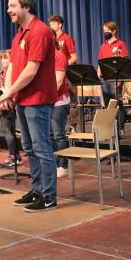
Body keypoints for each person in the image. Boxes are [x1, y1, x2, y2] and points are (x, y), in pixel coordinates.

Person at [0, 0, 58, 213]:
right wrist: (9, 92)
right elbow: (13, 66)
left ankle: (49, 197)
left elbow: (31, 70)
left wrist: (8, 93)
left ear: (26, 6)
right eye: (8, 6)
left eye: (12, 6)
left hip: (38, 100)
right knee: (30, 148)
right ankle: (37, 190)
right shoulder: (19, 35)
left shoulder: (40, 31)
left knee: (42, 149)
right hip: (22, 100)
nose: (8, 10)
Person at [48, 14, 79, 132]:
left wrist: (64, 65)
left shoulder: (66, 38)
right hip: (57, 73)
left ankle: (73, 126)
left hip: (69, 73)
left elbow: (74, 57)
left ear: (60, 25)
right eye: (50, 24)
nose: (50, 25)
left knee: (72, 101)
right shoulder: (51, 39)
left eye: (53, 23)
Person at [97, 21, 129, 135]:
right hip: (103, 78)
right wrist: (98, 78)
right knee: (107, 105)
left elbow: (124, 62)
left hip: (116, 78)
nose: (105, 33)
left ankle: (120, 129)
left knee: (117, 103)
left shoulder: (120, 44)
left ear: (114, 31)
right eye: (104, 31)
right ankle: (110, 129)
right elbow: (100, 63)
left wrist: (119, 80)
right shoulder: (103, 46)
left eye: (107, 31)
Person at [51, 30, 70, 177]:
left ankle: (63, 164)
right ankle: (55, 163)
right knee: (50, 135)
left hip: (59, 101)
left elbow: (58, 81)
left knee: (58, 134)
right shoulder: (44, 57)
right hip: (47, 101)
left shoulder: (59, 55)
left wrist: (47, 97)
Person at [0, 50, 22, 167]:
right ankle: (16, 155)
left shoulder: (12, 72)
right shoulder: (5, 72)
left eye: (6, 58)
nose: (3, 61)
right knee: (9, 130)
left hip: (10, 104)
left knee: (7, 129)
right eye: (2, 58)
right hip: (6, 103)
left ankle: (12, 156)